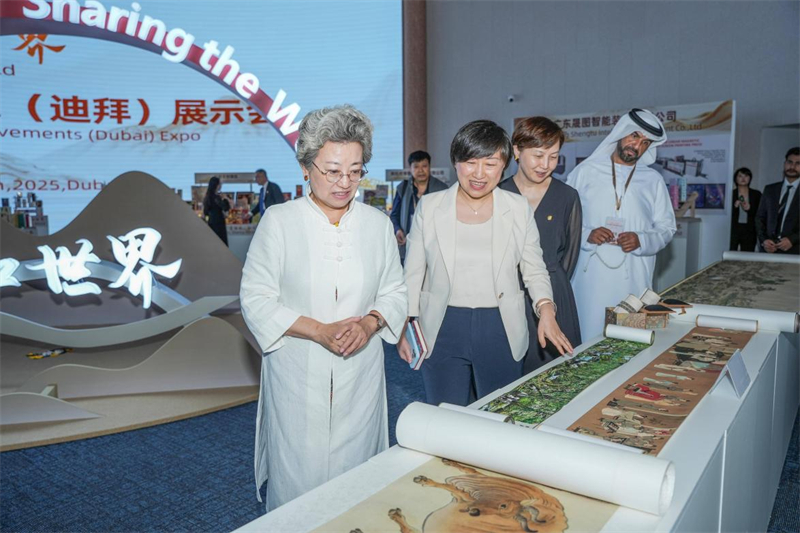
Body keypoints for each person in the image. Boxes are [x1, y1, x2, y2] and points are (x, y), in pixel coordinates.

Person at [239, 105, 407, 511]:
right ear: (305, 167)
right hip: (297, 368)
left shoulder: (377, 224)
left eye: (355, 170)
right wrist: (318, 330)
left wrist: (369, 324)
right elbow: (256, 296)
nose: (344, 182)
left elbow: (395, 291)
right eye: (332, 171)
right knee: (298, 475)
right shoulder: (280, 221)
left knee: (357, 478)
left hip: (360, 370)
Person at [399, 120, 573, 407]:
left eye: (490, 164)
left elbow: (534, 267)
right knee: (445, 414)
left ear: (504, 164)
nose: (479, 174)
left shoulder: (517, 208)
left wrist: (546, 310)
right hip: (442, 325)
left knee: (498, 413)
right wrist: (404, 325)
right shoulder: (430, 207)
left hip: (500, 326)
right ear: (456, 162)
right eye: (470, 162)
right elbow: (413, 272)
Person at [567, 108, 676, 341]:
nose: (637, 146)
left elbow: (667, 228)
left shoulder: (653, 180)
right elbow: (565, 220)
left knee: (628, 341)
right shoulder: (585, 172)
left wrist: (642, 240)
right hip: (590, 278)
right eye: (634, 136)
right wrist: (587, 235)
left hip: (633, 278)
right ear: (621, 132)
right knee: (587, 336)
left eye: (645, 143)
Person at [500, 117, 582, 373]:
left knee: (554, 376)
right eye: (538, 156)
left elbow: (570, 255)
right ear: (516, 151)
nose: (545, 165)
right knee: (505, 374)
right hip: (505, 295)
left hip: (553, 296)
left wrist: (551, 285)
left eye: (553, 157)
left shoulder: (567, 196)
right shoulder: (498, 195)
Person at [389, 150, 448, 262]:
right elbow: (394, 215)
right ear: (410, 168)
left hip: (434, 248)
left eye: (424, 166)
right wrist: (397, 230)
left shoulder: (442, 189)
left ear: (429, 167)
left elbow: (447, 218)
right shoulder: (402, 188)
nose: (420, 170)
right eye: (416, 167)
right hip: (408, 246)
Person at [756, 147, 800, 255]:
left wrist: (792, 240)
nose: (792, 167)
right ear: (784, 163)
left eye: (798, 163)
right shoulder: (770, 190)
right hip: (769, 251)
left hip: (795, 252)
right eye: (790, 162)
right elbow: (760, 218)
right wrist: (764, 241)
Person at [729, 167, 761, 252]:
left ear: (750, 178)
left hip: (750, 230)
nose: (743, 178)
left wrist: (750, 208)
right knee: (731, 253)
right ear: (735, 179)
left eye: (746, 176)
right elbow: (726, 214)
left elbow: (761, 212)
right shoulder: (730, 194)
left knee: (747, 254)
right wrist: (734, 207)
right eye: (740, 176)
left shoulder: (756, 194)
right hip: (733, 229)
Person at [202, 176, 230, 245]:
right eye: (220, 184)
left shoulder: (207, 197)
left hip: (211, 223)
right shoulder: (216, 198)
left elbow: (205, 212)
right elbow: (225, 207)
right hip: (219, 224)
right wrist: (225, 198)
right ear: (217, 185)